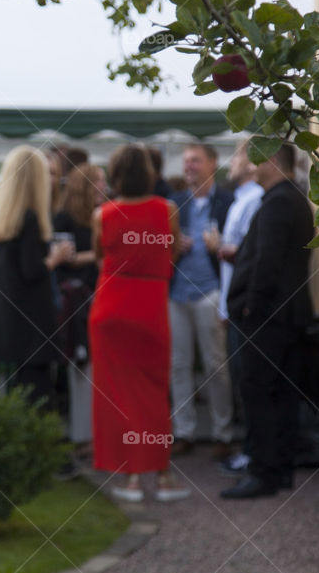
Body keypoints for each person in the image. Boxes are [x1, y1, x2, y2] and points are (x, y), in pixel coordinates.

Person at [89, 144, 189, 502]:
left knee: (117, 396)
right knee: (155, 392)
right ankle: (162, 477)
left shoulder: (103, 213)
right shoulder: (168, 209)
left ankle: (130, 479)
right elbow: (173, 253)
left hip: (110, 307)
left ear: (115, 174)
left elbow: (100, 255)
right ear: (149, 173)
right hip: (150, 307)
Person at [221, 143, 314, 499]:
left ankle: (263, 472)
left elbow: (267, 262)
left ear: (271, 161)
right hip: (284, 314)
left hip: (268, 317)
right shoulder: (291, 199)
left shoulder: (278, 203)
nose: (248, 164)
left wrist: (250, 307)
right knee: (281, 394)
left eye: (253, 157)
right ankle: (278, 471)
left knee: (260, 392)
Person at [0, 145, 74, 407]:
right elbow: (32, 270)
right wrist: (55, 258)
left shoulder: (0, 220)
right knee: (37, 397)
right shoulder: (30, 219)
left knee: (15, 397)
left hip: (8, 324)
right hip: (33, 326)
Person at [168, 143, 235, 459]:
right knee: (178, 365)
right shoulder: (175, 203)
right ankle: (184, 432)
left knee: (215, 365)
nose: (189, 166)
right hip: (177, 293)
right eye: (186, 161)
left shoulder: (228, 200)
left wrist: (218, 246)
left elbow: (240, 244)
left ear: (213, 163)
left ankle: (223, 433)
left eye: (195, 160)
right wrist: (171, 245)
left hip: (211, 291)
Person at [206, 141, 264, 475]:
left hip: (243, 305)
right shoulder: (243, 198)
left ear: (254, 162)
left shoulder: (255, 199)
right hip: (232, 303)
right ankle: (250, 449)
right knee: (242, 379)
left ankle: (253, 452)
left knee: (248, 380)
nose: (233, 161)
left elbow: (248, 253)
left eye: (239, 155)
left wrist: (220, 249)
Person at [53, 163, 102, 472]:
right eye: (98, 182)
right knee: (78, 367)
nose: (104, 188)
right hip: (75, 304)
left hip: (98, 298)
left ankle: (92, 436)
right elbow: (66, 256)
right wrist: (99, 254)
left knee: (94, 371)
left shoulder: (102, 214)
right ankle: (79, 435)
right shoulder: (64, 217)